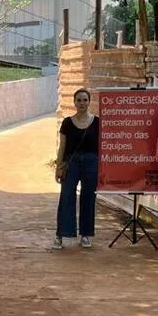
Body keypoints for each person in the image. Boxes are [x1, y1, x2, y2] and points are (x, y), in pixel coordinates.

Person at [53, 88, 99, 250]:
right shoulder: (67, 122)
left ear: (89, 102)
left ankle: (85, 234)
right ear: (74, 102)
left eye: (84, 100)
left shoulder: (97, 122)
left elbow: (101, 146)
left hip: (91, 163)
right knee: (66, 196)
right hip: (71, 163)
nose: (82, 103)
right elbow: (62, 147)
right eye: (79, 100)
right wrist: (58, 167)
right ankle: (60, 234)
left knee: (88, 198)